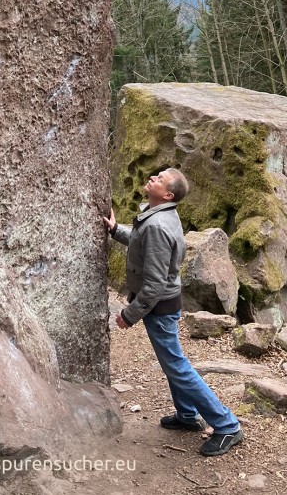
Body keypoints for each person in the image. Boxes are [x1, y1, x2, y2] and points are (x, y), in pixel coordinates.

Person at [103, 167, 243, 457]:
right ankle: (187, 415)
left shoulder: (157, 224)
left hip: (159, 307)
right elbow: (143, 245)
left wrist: (129, 314)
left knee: (177, 367)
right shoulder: (159, 215)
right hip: (163, 305)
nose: (153, 177)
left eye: (161, 179)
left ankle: (226, 424)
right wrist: (116, 230)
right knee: (173, 365)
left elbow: (154, 285)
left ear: (167, 194)